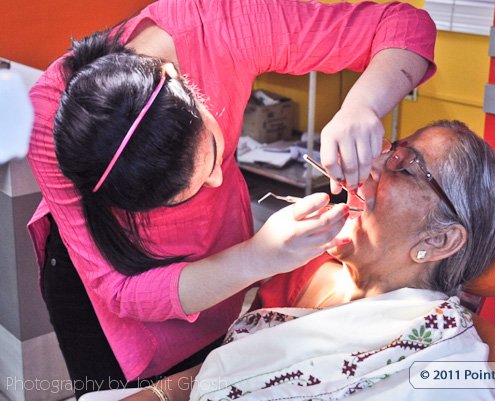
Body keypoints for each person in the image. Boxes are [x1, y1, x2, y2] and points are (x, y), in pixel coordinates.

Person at [26, 0, 437, 397]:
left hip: (219, 281)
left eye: (213, 154)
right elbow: (123, 292)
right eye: (178, 196)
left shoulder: (222, 24)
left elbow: (406, 26)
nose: (221, 178)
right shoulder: (46, 122)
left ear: (178, 79)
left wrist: (362, 106)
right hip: (113, 314)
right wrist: (258, 258)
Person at [80, 119, 495, 401]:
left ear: (440, 240)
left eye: (402, 166)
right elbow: (219, 370)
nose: (367, 166)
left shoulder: (442, 374)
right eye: (387, 149)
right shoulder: (312, 273)